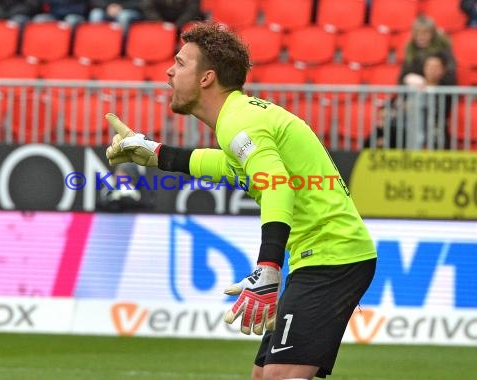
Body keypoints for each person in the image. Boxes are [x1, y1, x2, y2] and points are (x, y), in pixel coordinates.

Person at [106, 22, 377, 380]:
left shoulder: (238, 121)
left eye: (181, 63)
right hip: (324, 257)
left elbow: (277, 185)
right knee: (264, 376)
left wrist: (268, 266)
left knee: (280, 377)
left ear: (207, 78)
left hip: (333, 257)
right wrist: (153, 151)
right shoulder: (240, 118)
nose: (170, 71)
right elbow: (222, 166)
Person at [398, 15, 456, 87]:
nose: (421, 37)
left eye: (425, 33)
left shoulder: (442, 51)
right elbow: (402, 78)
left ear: (432, 34)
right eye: (417, 33)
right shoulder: (410, 51)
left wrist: (431, 82)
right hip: (414, 93)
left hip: (439, 92)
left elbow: (450, 76)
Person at [140, 0, 204, 31]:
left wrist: (176, 26)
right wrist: (161, 23)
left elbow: (192, 11)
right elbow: (147, 7)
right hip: (160, 23)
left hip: (184, 23)